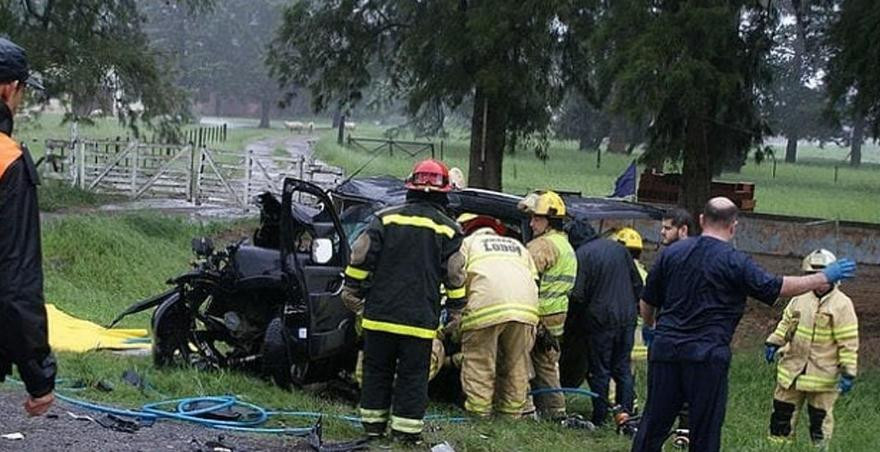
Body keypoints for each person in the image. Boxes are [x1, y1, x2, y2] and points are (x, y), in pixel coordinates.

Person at [631, 197, 856, 452]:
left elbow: (647, 301)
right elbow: (776, 287)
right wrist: (823, 277)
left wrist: (650, 329)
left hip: (666, 351)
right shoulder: (736, 262)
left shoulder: (671, 254)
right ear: (733, 226)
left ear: (702, 220)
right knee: (704, 430)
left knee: (653, 424)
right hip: (707, 357)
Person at [341, 159, 466, 444]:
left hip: (379, 315)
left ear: (410, 188)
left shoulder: (384, 219)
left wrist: (352, 289)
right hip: (418, 321)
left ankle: (372, 429)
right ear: (443, 193)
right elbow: (455, 275)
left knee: (376, 371)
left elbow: (361, 257)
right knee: (413, 376)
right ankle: (406, 434)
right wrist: (456, 311)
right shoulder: (448, 229)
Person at [0, 37, 56, 417]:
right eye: (21, 90)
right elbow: (15, 281)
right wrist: (38, 376)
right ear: (8, 87)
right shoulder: (7, 160)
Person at [766, 249, 858, 446]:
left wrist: (848, 371)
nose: (819, 280)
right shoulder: (799, 298)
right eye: (813, 276)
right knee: (782, 414)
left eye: (823, 275)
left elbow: (848, 342)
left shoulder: (842, 305)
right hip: (792, 371)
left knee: (820, 419)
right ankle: (777, 446)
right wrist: (774, 341)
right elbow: (787, 322)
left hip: (823, 376)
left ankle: (819, 448)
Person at [454, 213, 539, 418]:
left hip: (484, 309)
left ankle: (479, 412)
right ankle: (511, 414)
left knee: (480, 360)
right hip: (525, 310)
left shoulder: (467, 244)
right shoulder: (517, 246)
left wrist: (456, 312)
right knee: (517, 362)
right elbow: (534, 278)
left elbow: (456, 278)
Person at [562, 219, 642, 426]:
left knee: (600, 370)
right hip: (627, 318)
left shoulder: (583, 255)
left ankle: (600, 416)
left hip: (600, 321)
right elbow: (637, 283)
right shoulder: (619, 249)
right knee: (622, 367)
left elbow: (578, 295)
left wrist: (572, 324)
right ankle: (626, 414)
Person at [518, 191, 577, 419]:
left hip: (538, 313)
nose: (532, 223)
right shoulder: (565, 245)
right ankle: (555, 411)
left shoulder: (543, 245)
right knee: (546, 363)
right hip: (557, 315)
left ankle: (523, 408)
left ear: (549, 221)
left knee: (518, 357)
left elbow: (521, 272)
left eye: (536, 218)